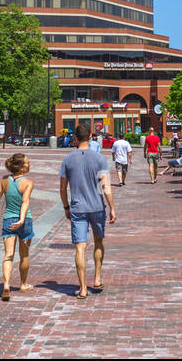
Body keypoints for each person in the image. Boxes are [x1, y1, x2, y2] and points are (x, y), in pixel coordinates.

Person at [59, 125, 116, 299]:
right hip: (97, 207)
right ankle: (97, 278)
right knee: (98, 242)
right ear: (91, 136)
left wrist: (66, 207)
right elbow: (105, 186)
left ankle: (83, 288)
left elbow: (62, 188)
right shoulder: (99, 159)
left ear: (76, 137)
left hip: (78, 208)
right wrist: (112, 207)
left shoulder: (68, 160)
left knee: (80, 248)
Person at [0, 153, 34, 301]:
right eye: (26, 163)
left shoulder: (4, 181)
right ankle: (23, 283)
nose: (29, 164)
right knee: (24, 255)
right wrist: (21, 219)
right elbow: (25, 202)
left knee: (8, 255)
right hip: (24, 221)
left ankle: (7, 285)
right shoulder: (27, 182)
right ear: (21, 168)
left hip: (8, 220)